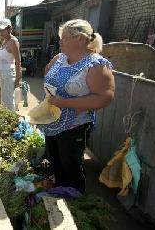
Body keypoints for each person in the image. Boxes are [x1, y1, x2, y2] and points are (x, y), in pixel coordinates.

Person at [43, 19, 115, 193]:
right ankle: (59, 189)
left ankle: (74, 199)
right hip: (52, 121)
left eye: (65, 38)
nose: (60, 41)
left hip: (74, 125)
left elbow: (105, 98)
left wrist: (64, 102)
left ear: (81, 39)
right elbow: (47, 71)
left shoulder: (96, 65)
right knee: (55, 160)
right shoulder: (60, 58)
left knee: (70, 165)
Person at [0, 19, 22, 111]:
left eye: (3, 30)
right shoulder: (4, 41)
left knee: (9, 99)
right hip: (3, 73)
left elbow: (18, 61)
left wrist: (18, 78)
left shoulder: (13, 41)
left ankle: (11, 119)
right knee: (4, 98)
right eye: (0, 30)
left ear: (10, 29)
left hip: (9, 74)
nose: (1, 32)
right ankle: (6, 119)